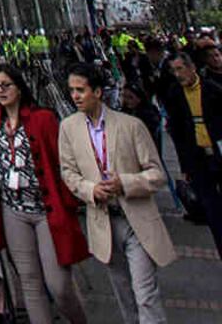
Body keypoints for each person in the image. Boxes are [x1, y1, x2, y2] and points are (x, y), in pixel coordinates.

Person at [58, 63, 175, 324]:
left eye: (81, 90)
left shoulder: (130, 125)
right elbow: (68, 173)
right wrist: (90, 189)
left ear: (98, 92)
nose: (75, 96)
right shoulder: (68, 128)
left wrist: (126, 183)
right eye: (72, 90)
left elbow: (157, 174)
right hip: (104, 221)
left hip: (135, 219)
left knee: (145, 293)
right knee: (124, 292)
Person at [0, 64, 88, 324]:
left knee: (58, 284)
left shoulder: (43, 119)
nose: (1, 91)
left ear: (19, 87)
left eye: (6, 85)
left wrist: (73, 198)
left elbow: (62, 162)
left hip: (45, 209)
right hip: (12, 210)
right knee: (29, 281)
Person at [164, 52, 222, 257]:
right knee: (212, 208)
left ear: (192, 68)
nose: (178, 74)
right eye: (174, 70)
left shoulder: (212, 90)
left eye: (180, 68)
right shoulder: (175, 94)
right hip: (197, 158)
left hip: (217, 152)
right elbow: (177, 131)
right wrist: (185, 166)